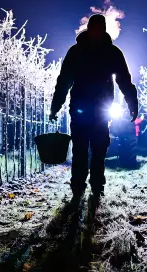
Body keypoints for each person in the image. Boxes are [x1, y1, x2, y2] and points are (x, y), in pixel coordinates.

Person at [50, 14, 139, 202]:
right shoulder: (77, 52)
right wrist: (56, 106)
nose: (97, 32)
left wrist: (132, 101)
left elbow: (124, 79)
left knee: (99, 150)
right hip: (81, 110)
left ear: (103, 29)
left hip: (100, 111)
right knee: (80, 150)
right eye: (94, 28)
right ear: (89, 29)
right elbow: (64, 81)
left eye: (100, 29)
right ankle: (78, 189)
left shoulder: (112, 53)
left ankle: (97, 187)